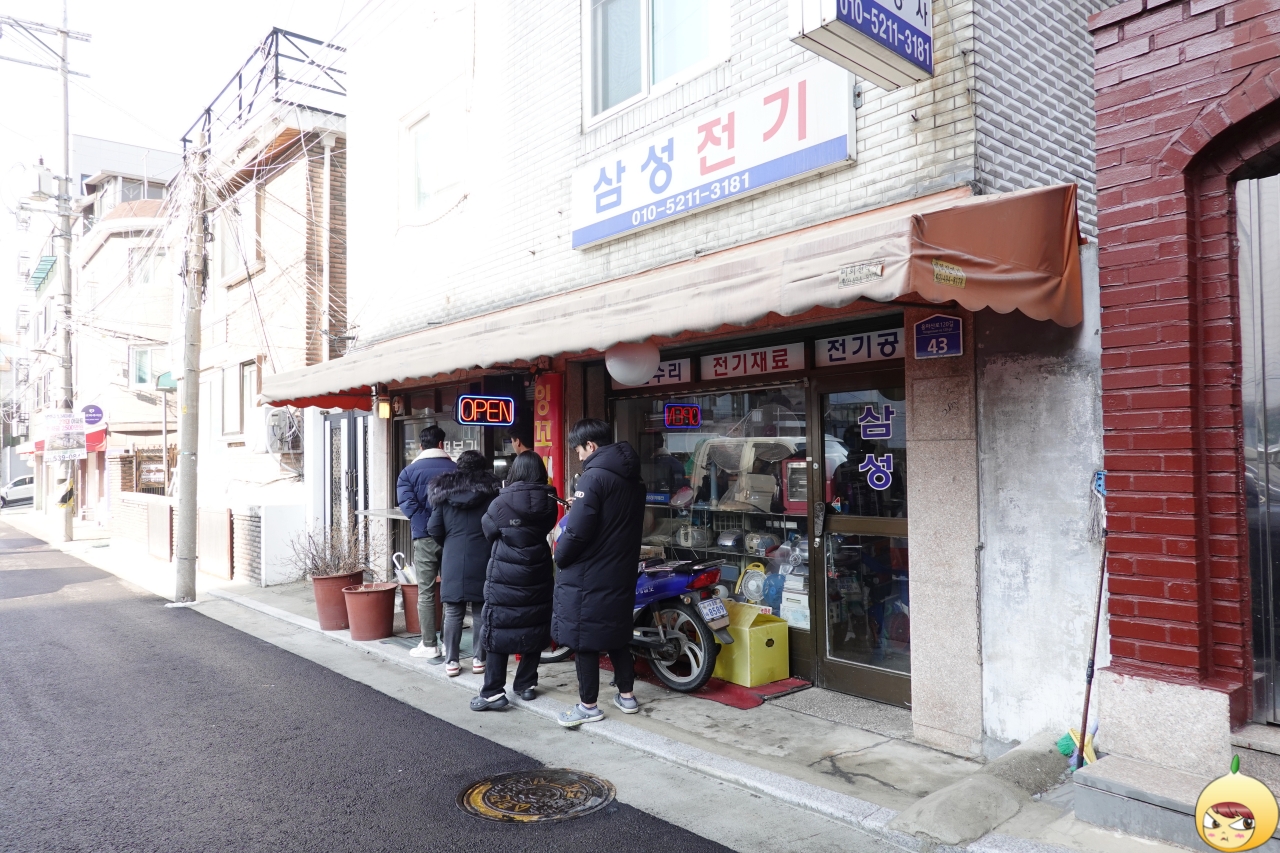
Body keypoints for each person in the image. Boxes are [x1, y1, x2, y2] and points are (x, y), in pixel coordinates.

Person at [551, 418, 647, 727]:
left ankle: (588, 706)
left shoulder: (592, 477)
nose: (579, 456)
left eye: (579, 450)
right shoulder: (634, 478)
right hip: (621, 569)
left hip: (589, 573)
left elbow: (578, 532)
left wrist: (560, 555)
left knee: (585, 638)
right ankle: (627, 696)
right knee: (617, 633)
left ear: (590, 445)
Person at [470, 451, 559, 711]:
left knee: (499, 627)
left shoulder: (500, 503)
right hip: (538, 568)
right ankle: (526, 684)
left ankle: (493, 691)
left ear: (515, 471)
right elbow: (545, 528)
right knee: (534, 623)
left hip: (505, 572)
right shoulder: (549, 501)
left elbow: (488, 530)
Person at [427, 450, 502, 677]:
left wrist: (450, 543)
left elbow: (433, 528)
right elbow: (497, 525)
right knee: (480, 609)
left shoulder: (444, 493)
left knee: (453, 611)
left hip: (453, 556)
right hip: (484, 555)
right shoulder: (491, 494)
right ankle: (480, 659)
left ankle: (451, 661)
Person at [395, 424, 456, 660]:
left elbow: (408, 506)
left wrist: (429, 525)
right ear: (442, 444)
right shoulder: (456, 470)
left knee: (427, 591)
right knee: (451, 591)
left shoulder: (407, 473)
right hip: (453, 536)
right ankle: (450, 645)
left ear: (421, 446)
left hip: (424, 537)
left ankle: (429, 644)